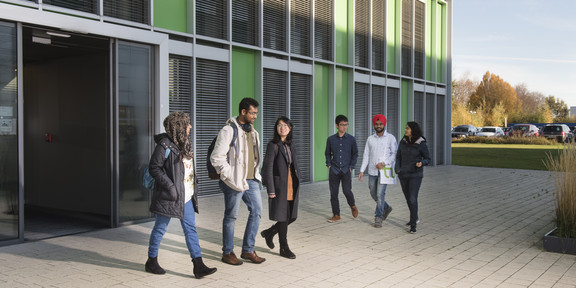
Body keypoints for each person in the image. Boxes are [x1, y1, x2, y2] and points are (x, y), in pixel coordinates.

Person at [145, 112, 217, 278]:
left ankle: (198, 265)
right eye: (188, 124)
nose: (190, 127)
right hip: (170, 195)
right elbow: (154, 168)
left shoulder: (185, 143)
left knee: (190, 229)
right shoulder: (164, 145)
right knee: (160, 228)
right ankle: (151, 261)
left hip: (186, 194)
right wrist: (170, 186)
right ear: (179, 126)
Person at [210, 97, 265, 265]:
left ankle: (248, 250)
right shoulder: (228, 130)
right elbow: (217, 157)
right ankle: (227, 252)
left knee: (257, 212)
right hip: (234, 181)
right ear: (243, 112)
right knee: (231, 216)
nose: (255, 116)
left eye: (256, 112)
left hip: (251, 181)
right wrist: (229, 175)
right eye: (252, 113)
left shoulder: (253, 132)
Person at [260, 117, 301, 259]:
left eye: (285, 125)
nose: (282, 128)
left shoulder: (291, 144)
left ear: (290, 128)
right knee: (283, 216)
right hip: (279, 186)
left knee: (292, 216)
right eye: (279, 125)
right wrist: (270, 189)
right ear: (276, 128)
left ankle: (270, 232)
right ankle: (284, 247)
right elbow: (267, 168)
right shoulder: (273, 145)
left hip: (291, 183)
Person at [358, 114, 397, 228]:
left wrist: (384, 163)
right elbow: (366, 155)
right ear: (374, 125)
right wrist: (361, 171)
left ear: (384, 124)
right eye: (376, 124)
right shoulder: (370, 139)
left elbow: (395, 154)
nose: (378, 126)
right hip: (372, 171)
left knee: (380, 194)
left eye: (380, 124)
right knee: (373, 192)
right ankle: (386, 207)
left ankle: (378, 216)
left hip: (384, 171)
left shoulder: (390, 138)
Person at [395, 121, 431, 234]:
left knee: (412, 198)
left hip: (415, 175)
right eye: (406, 128)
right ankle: (414, 217)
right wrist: (398, 169)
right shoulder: (403, 141)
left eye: (407, 128)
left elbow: (428, 158)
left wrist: (422, 162)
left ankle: (413, 225)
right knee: (408, 199)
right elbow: (398, 157)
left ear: (413, 130)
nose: (405, 130)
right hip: (403, 174)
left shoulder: (421, 143)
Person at [325, 114, 359, 223]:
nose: (344, 127)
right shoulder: (330, 139)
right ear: (337, 125)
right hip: (334, 170)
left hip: (346, 170)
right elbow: (327, 153)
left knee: (347, 191)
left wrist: (351, 166)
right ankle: (336, 214)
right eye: (342, 125)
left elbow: (355, 154)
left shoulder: (351, 139)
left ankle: (352, 205)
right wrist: (329, 164)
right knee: (333, 194)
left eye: (346, 125)